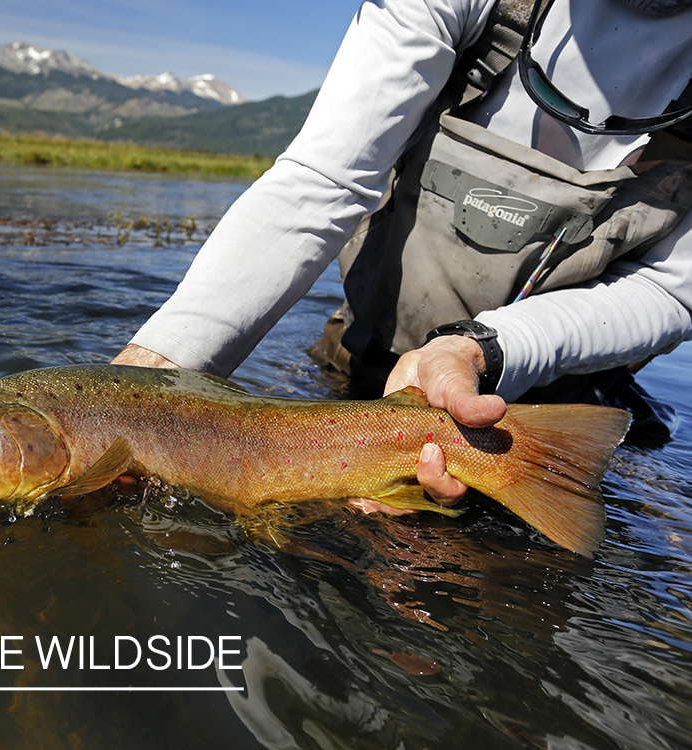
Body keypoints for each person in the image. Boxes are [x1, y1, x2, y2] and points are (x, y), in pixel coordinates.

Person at [113, 0, 692, 511]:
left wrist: (483, 347)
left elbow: (672, 289)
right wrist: (145, 386)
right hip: (368, 365)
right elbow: (325, 179)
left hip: (560, 400)